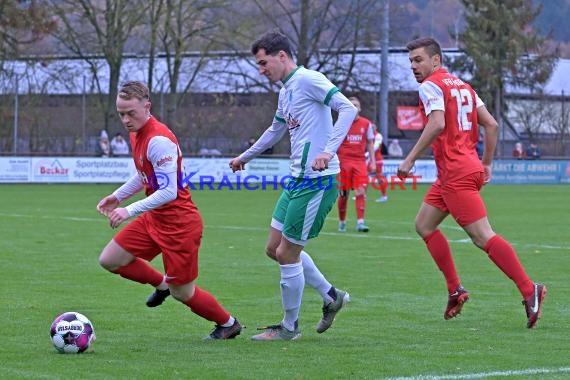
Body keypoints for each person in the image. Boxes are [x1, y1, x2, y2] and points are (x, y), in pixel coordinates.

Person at [398, 37, 546, 329]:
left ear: (436, 60)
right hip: (465, 169)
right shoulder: (462, 85)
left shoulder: (430, 86)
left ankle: (531, 290)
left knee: (483, 237)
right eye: (411, 61)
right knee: (424, 225)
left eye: (419, 60)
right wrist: (487, 163)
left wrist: (410, 158)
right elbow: (491, 124)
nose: (414, 66)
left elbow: (438, 123)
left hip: (455, 172)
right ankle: (455, 290)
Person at [229, 31, 356, 341]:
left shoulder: (310, 79)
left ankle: (289, 328)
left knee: (287, 253)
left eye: (263, 63)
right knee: (274, 249)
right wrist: (245, 157)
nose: (261, 70)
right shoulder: (286, 92)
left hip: (317, 182)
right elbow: (275, 130)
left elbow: (348, 108)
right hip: (297, 180)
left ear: (281, 56)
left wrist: (328, 151)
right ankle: (331, 295)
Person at [96, 81, 242, 340]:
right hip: (155, 217)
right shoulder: (136, 134)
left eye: (131, 113)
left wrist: (128, 210)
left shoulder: (158, 140)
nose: (126, 119)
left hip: (179, 225)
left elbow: (168, 191)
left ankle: (228, 323)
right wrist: (117, 196)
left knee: (182, 293)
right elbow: (145, 176)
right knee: (110, 259)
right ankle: (161, 284)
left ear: (147, 106)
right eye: (121, 114)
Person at [336, 96, 375, 232]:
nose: (354, 107)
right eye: (351, 105)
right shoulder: (342, 122)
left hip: (360, 162)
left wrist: (373, 161)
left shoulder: (366, 124)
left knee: (360, 191)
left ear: (360, 108)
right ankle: (342, 222)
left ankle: (360, 222)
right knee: (343, 194)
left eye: (356, 105)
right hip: (343, 161)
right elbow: (334, 142)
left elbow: (370, 143)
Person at [372, 124, 389, 203]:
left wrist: (366, 155)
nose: (371, 129)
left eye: (373, 127)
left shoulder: (378, 136)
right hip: (370, 160)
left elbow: (375, 147)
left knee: (379, 178)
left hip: (377, 160)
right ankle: (361, 195)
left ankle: (384, 196)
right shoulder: (369, 136)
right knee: (362, 176)